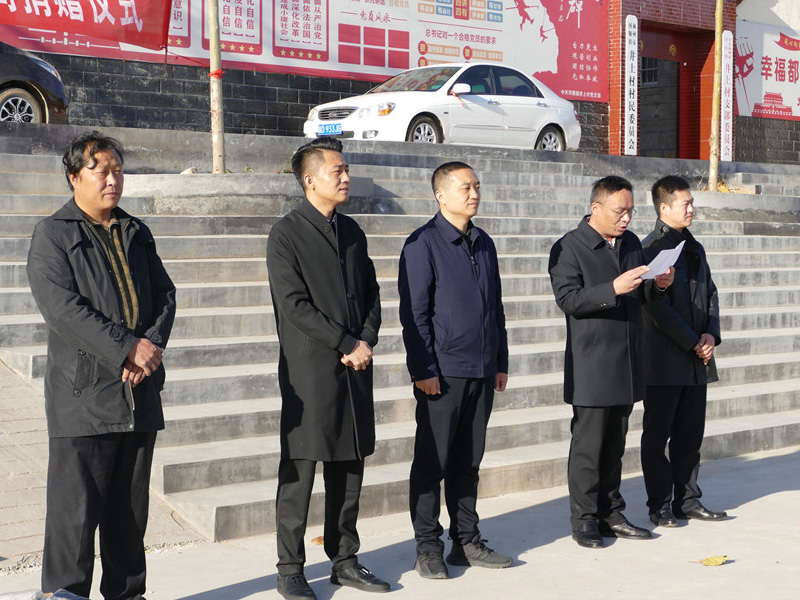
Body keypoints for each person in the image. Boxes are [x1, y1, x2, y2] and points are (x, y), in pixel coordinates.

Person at [26, 131, 176, 599]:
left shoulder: (136, 231)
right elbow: (63, 310)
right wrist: (125, 347)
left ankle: (128, 594)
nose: (113, 180)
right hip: (83, 397)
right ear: (74, 177)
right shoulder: (54, 234)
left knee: (128, 515)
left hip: (138, 392)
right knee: (73, 517)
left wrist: (148, 349)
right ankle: (64, 594)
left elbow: (165, 296)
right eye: (101, 171)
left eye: (118, 171)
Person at [267, 137, 388, 600]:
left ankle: (345, 560)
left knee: (350, 464)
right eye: (337, 171)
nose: (345, 177)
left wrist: (366, 339)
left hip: (355, 366)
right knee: (300, 471)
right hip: (311, 372)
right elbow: (294, 305)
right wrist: (346, 342)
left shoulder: (352, 231)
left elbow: (372, 292)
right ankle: (290, 569)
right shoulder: (286, 234)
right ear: (309, 179)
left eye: (346, 169)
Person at [398, 161, 511, 579]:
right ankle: (428, 547)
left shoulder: (484, 242)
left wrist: (500, 361)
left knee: (468, 462)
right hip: (442, 373)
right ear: (441, 195)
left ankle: (466, 541)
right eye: (466, 187)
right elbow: (414, 315)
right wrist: (423, 368)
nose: (474, 193)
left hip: (482, 370)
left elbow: (495, 307)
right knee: (432, 463)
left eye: (477, 186)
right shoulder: (422, 244)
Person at [548, 175, 674, 549]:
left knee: (615, 446)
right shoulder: (569, 247)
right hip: (592, 363)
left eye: (631, 211)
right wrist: (613, 289)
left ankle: (611, 514)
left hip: (628, 360)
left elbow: (643, 294)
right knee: (588, 448)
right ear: (596, 208)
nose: (626, 219)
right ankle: (584, 520)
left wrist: (659, 284)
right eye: (620, 211)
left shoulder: (631, 243)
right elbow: (568, 299)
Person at [640, 175, 727, 526]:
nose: (691, 208)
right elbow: (655, 307)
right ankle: (659, 504)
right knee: (657, 435)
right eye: (685, 203)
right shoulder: (650, 250)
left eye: (692, 202)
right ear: (664, 208)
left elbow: (710, 293)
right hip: (664, 358)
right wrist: (693, 341)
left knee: (690, 435)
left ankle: (688, 500)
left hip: (696, 357)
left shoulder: (694, 247)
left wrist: (710, 335)